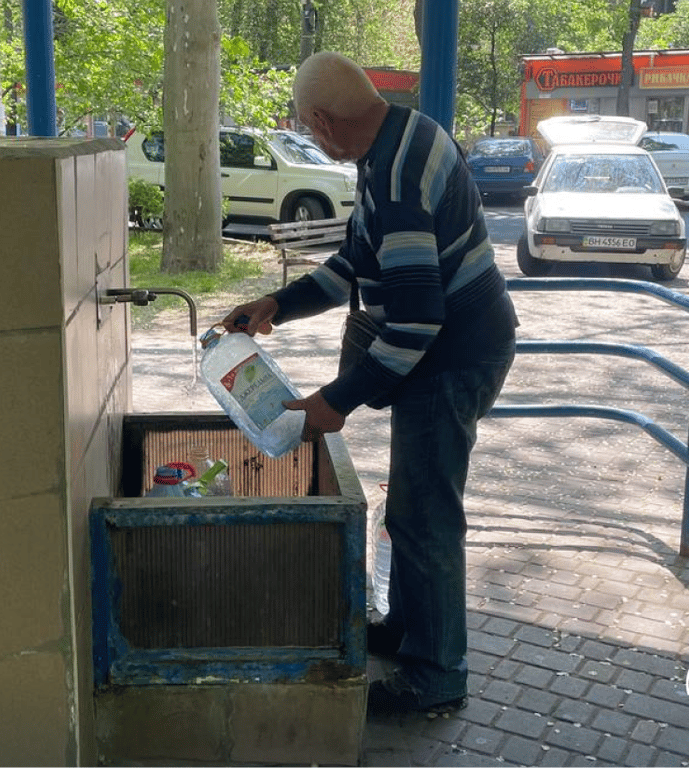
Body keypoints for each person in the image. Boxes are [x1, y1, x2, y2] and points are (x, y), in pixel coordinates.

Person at [219, 51, 519, 716]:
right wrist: (282, 301)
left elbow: (416, 322)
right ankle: (409, 629)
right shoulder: (399, 137)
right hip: (445, 347)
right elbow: (359, 256)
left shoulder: (399, 177)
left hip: (451, 358)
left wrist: (335, 401)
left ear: (321, 122)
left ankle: (436, 673)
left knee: (426, 517)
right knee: (414, 508)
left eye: (304, 124)